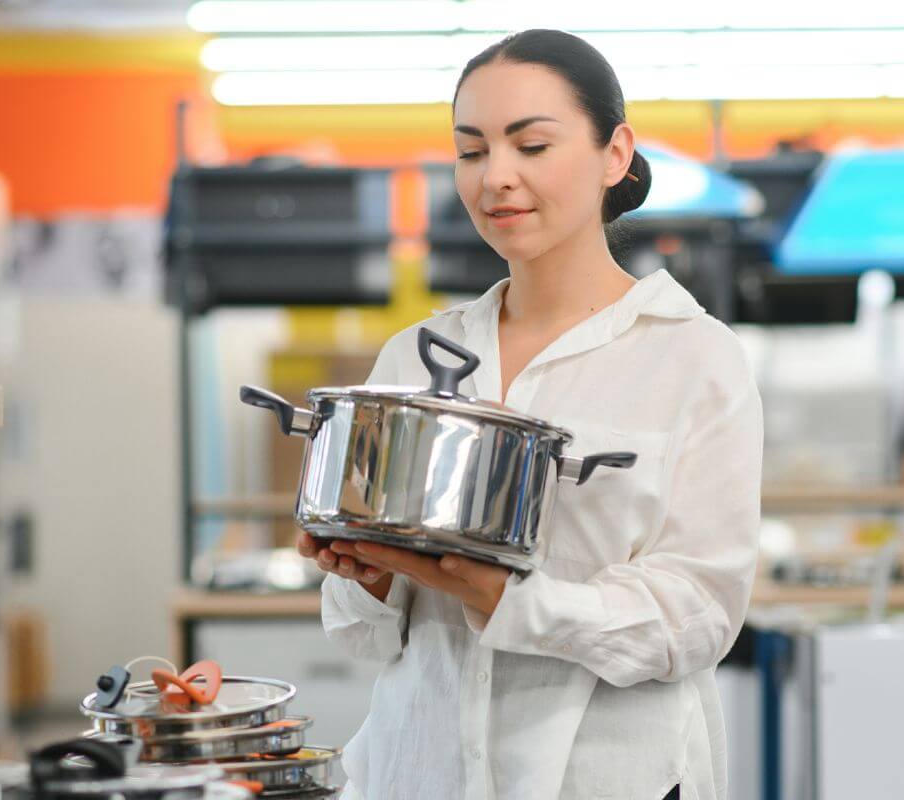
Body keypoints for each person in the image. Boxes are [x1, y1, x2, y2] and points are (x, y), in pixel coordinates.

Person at [296, 30, 763, 800]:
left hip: (609, 779)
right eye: (472, 151)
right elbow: (359, 633)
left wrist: (513, 602)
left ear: (615, 154)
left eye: (532, 145)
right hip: (419, 773)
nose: (496, 178)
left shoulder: (693, 359)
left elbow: (698, 616)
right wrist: (368, 577)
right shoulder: (417, 357)